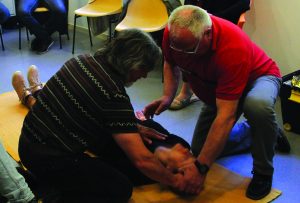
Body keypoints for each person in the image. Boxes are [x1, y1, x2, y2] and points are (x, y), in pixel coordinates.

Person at [12, 29, 201, 203]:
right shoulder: (113, 94)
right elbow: (141, 160)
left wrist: (132, 128)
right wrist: (175, 181)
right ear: (133, 64)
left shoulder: (80, 60)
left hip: (30, 142)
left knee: (152, 132)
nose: (144, 76)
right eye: (144, 69)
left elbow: (93, 111)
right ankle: (47, 190)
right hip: (47, 160)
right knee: (119, 188)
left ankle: (158, 156)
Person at [143, 5, 287, 200]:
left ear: (207, 34)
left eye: (190, 50)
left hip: (259, 78)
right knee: (201, 150)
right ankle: (265, 132)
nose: (183, 55)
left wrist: (201, 169)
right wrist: (168, 96)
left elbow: (225, 116)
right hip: (218, 88)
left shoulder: (232, 47)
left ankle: (263, 172)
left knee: (257, 106)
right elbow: (170, 62)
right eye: (179, 49)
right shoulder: (177, 33)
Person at [170, 0, 251, 110]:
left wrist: (212, 18)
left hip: (223, 20)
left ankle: (213, 92)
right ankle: (187, 90)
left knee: (199, 43)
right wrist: (193, 14)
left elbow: (243, 4)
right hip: (200, 18)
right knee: (188, 41)